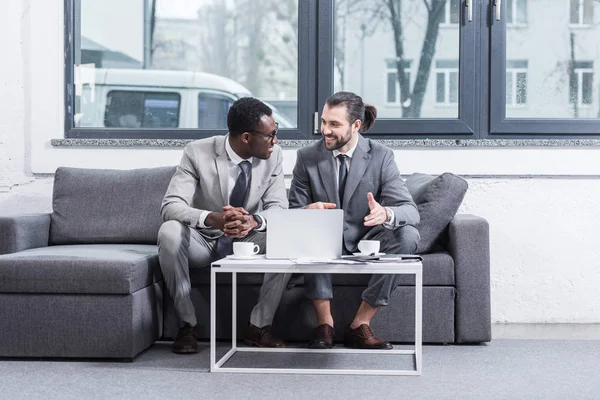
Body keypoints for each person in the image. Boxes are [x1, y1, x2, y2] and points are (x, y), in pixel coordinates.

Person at [158, 97, 292, 354]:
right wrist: (212, 217)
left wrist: (254, 220)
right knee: (169, 231)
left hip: (246, 239)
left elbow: (279, 208)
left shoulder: (273, 157)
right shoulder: (197, 152)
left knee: (286, 237)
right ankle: (188, 326)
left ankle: (258, 326)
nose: (276, 140)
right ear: (245, 137)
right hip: (204, 239)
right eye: (271, 135)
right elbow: (171, 206)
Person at [288, 91, 420, 350]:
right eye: (323, 122)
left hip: (367, 238)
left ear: (356, 125)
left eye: (334, 124)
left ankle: (360, 324)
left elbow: (410, 211)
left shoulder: (381, 156)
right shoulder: (307, 157)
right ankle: (324, 324)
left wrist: (386, 213)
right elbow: (292, 211)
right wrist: (306, 211)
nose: (325, 130)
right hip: (323, 239)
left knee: (409, 236)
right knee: (309, 231)